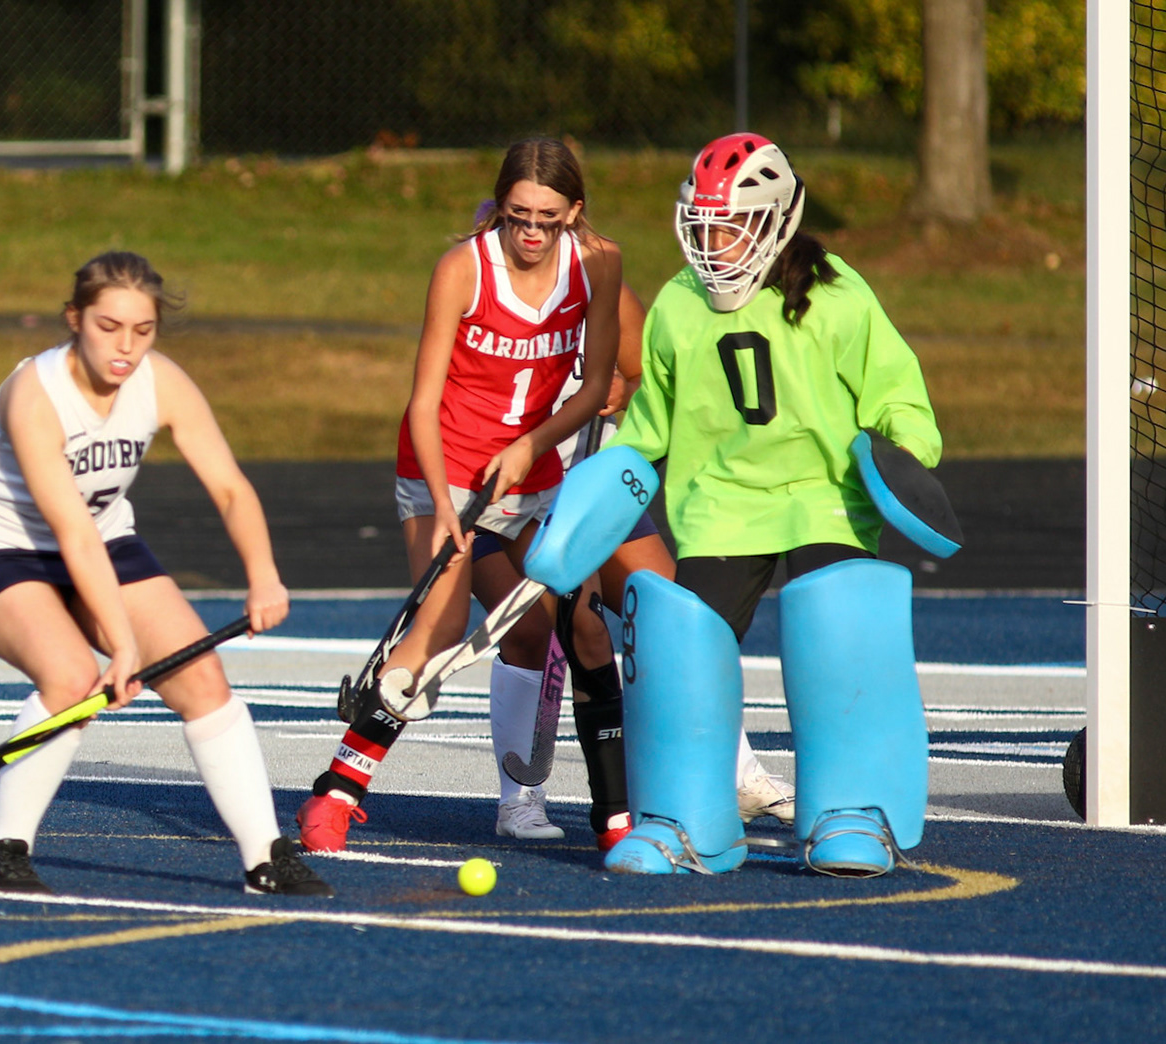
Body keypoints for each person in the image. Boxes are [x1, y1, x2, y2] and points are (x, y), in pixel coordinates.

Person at [596, 132, 940, 877]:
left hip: (825, 496)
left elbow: (897, 393)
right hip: (721, 502)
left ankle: (853, 810)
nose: (714, 244)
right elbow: (649, 426)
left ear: (775, 220)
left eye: (731, 226)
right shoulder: (679, 305)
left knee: (840, 622)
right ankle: (685, 820)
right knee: (679, 639)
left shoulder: (839, 297)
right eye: (703, 227)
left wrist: (903, 450)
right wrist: (604, 482)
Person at [0, 251, 331, 897]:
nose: (126, 347)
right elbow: (71, 534)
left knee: (202, 678)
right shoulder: (34, 395)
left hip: (103, 539)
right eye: (109, 327)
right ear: (75, 319)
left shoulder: (161, 381)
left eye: (143, 330)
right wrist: (122, 648)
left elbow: (230, 488)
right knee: (72, 679)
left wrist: (264, 576)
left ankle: (266, 857)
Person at [296, 138, 625, 853]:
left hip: (532, 470)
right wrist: (446, 510)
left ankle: (600, 817)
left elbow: (597, 386)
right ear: (500, 206)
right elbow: (422, 401)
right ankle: (335, 793)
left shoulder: (598, 262)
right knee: (440, 631)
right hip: (443, 467)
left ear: (574, 211)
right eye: (517, 216)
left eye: (548, 219)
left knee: (579, 627)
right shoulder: (462, 268)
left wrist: (532, 446)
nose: (531, 233)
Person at [473, 278, 795, 856]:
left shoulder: (601, 280)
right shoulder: (481, 281)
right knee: (532, 631)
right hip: (504, 494)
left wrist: (624, 390)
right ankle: (520, 798)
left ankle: (738, 774)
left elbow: (651, 376)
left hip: (589, 491)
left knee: (674, 618)